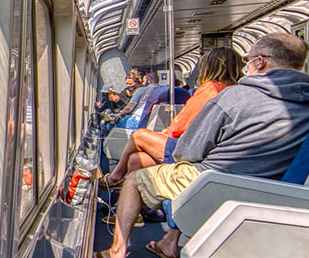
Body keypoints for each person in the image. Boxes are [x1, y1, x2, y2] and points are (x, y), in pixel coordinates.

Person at [93, 32, 309, 258]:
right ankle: (168, 241)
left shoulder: (234, 97)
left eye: (249, 60)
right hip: (275, 190)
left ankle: (117, 252)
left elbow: (187, 152)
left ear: (261, 62)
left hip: (214, 182)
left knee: (135, 179)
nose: (248, 66)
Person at [102, 47, 243, 186]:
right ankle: (138, 202)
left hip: (190, 150)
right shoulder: (234, 91)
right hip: (210, 152)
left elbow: (182, 124)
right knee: (135, 160)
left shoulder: (209, 89)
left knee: (139, 135)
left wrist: (165, 133)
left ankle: (115, 177)